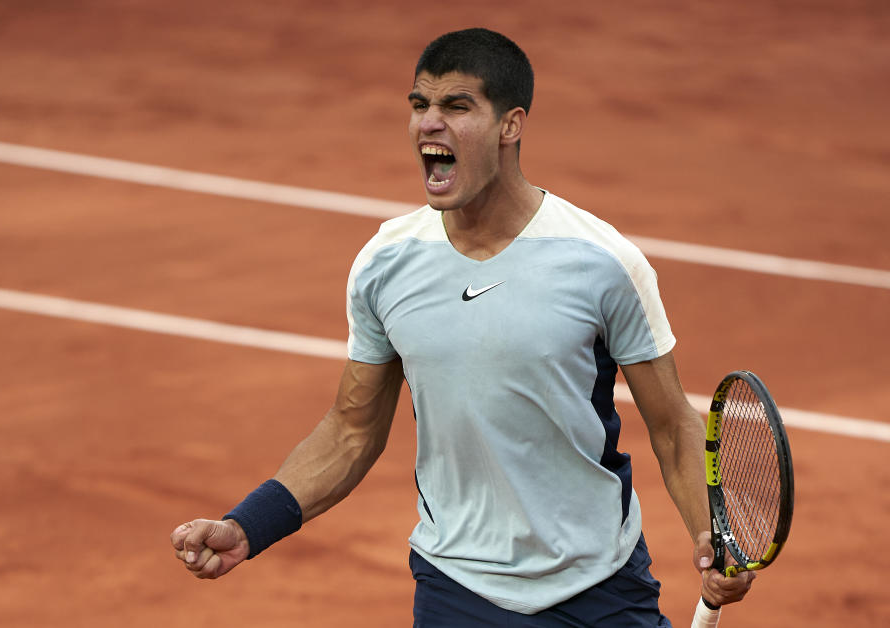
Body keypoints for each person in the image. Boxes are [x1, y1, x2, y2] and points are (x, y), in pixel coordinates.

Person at [171, 27, 755, 626]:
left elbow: (670, 426)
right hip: (456, 588)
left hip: (597, 584)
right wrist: (248, 525)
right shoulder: (386, 263)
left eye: (456, 106)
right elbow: (351, 432)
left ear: (511, 125)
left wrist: (711, 532)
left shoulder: (602, 262)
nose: (429, 123)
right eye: (420, 105)